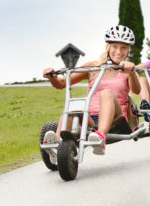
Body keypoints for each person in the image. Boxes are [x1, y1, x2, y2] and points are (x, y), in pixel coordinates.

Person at [42, 25, 141, 159]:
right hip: (90, 121)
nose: (119, 51)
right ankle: (57, 147)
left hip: (116, 121)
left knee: (107, 93)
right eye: (115, 47)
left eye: (123, 48)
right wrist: (51, 77)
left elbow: (136, 90)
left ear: (128, 50)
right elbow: (61, 84)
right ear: (108, 47)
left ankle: (100, 138)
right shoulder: (93, 67)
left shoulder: (126, 70)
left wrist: (132, 72)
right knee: (75, 105)